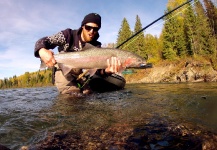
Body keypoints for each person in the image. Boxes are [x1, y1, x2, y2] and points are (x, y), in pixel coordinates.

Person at [34, 13, 125, 96]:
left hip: (81, 74)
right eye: (88, 27)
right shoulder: (67, 35)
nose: (91, 31)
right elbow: (44, 41)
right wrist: (42, 51)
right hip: (63, 70)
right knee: (73, 96)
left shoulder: (96, 47)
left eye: (95, 29)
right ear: (82, 26)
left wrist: (106, 71)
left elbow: (97, 72)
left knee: (88, 95)